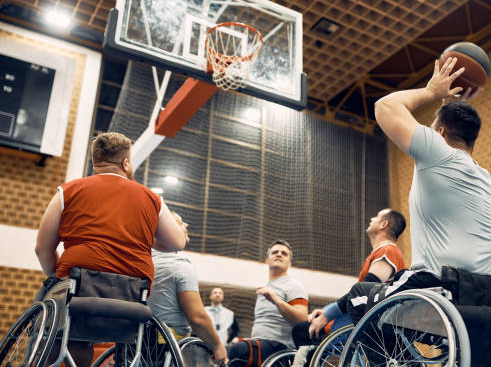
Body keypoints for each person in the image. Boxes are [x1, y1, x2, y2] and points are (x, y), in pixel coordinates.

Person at [309, 56, 491, 336]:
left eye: (433, 127)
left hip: (438, 288)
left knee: (361, 294)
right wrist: (450, 106)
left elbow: (384, 106)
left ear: (441, 133)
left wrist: (432, 91)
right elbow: (452, 133)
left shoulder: (437, 151)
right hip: (486, 295)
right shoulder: (483, 177)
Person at [35, 132, 187, 365]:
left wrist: (55, 278)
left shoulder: (67, 191)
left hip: (77, 289)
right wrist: (146, 236)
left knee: (56, 320)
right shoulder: (152, 198)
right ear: (126, 163)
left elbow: (42, 249)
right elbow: (177, 242)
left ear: (95, 162)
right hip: (132, 297)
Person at [292, 208, 407, 346]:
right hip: (355, 319)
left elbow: (365, 292)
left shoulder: (389, 250)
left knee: (301, 332)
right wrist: (327, 310)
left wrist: (327, 315)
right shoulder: (381, 252)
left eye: (376, 217)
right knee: (302, 330)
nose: (371, 219)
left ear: (383, 224)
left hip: (365, 323)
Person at [147, 211, 228, 363]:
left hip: (136, 343)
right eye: (180, 222)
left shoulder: (143, 262)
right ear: (167, 231)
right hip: (166, 346)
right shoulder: (179, 266)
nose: (186, 225)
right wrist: (217, 346)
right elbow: (197, 318)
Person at [226, 240, 308, 367]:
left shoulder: (294, 285)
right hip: (261, 346)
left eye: (284, 254)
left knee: (231, 351)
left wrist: (277, 300)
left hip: (279, 349)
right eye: (275, 252)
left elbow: (302, 321)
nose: (279, 254)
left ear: (289, 263)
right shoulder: (266, 288)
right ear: (267, 260)